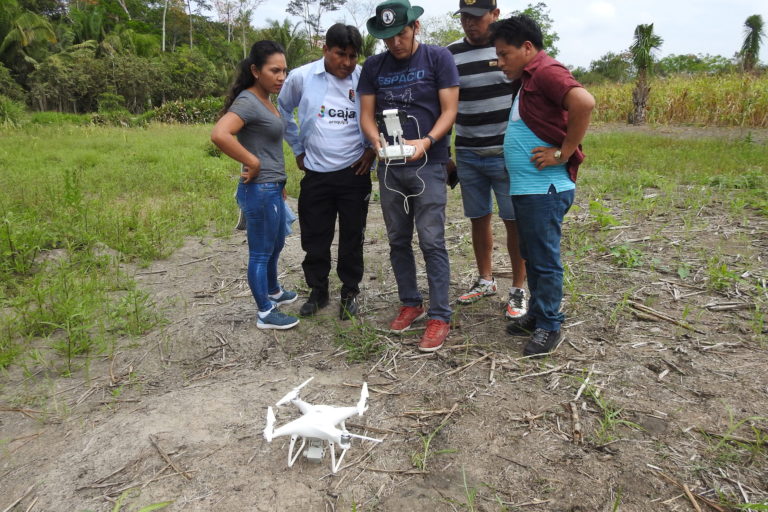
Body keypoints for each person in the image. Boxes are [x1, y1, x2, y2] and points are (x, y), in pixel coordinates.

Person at [358, 0, 459, 352]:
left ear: (415, 28)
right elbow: (366, 114)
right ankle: (410, 302)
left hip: (428, 163)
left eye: (400, 34)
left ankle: (440, 315)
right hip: (390, 166)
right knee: (397, 238)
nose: (395, 43)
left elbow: (450, 110)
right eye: (387, 37)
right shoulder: (374, 66)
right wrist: (375, 141)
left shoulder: (438, 59)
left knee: (431, 240)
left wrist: (427, 141)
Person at [491, 16, 595, 356]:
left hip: (545, 188)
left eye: (505, 54)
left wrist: (564, 152)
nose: (501, 62)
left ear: (527, 48)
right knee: (532, 255)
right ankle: (537, 315)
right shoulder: (527, 79)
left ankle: (550, 324)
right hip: (528, 188)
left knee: (544, 258)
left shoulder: (547, 71)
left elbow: (584, 102)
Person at [278, 24, 377, 321]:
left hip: (354, 174)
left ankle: (350, 293)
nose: (347, 62)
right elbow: (282, 109)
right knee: (315, 237)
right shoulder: (301, 77)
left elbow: (379, 115)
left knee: (352, 238)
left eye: (352, 56)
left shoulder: (364, 79)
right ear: (325, 50)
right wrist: (297, 148)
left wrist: (371, 151)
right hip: (316, 174)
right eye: (340, 54)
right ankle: (318, 291)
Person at [211, 40, 300, 330]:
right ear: (255, 70)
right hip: (258, 189)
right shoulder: (248, 101)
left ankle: (273, 290)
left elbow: (268, 146)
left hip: (272, 187)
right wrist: (253, 162)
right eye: (274, 70)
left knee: (275, 245)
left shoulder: (266, 101)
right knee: (260, 252)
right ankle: (265, 311)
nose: (281, 77)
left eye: (284, 71)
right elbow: (220, 134)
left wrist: (280, 182)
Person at [447, 0, 527, 320]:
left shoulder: (506, 50)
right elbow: (446, 104)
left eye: (477, 17)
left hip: (506, 153)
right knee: (478, 218)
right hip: (467, 151)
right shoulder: (450, 54)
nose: (470, 23)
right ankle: (485, 279)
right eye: (465, 17)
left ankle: (519, 288)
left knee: (514, 221)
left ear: (495, 14)